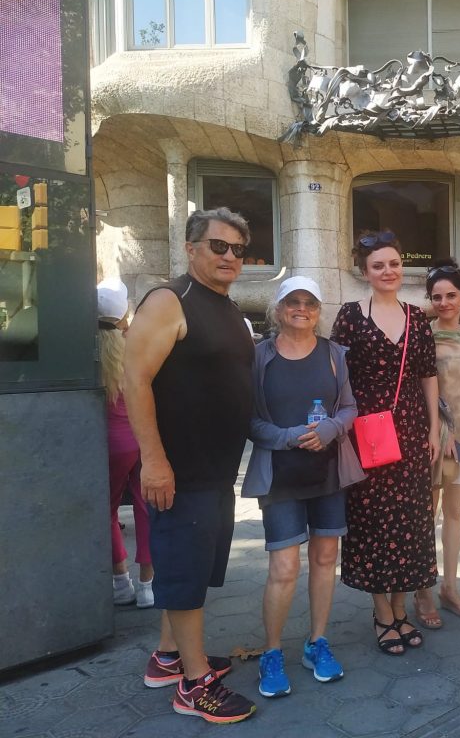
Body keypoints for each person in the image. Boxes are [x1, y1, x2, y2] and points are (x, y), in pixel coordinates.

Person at [124, 207, 255, 723]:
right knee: (183, 572)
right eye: (218, 246)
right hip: (178, 471)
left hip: (215, 470)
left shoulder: (224, 304)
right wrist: (154, 462)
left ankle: (168, 657)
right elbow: (135, 380)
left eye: (238, 250)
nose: (229, 257)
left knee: (190, 570)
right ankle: (194, 685)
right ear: (191, 248)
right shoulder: (167, 300)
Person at [243, 276, 364, 698]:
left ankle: (317, 642)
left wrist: (331, 428)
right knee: (284, 568)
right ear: (278, 309)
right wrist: (289, 436)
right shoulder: (259, 357)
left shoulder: (335, 355)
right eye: (292, 302)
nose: (302, 308)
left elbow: (349, 408)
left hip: (328, 473)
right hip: (280, 474)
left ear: (318, 310)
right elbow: (249, 421)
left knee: (326, 556)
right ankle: (272, 652)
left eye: (310, 303)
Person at [330, 231, 440, 656]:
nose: (388, 271)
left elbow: (428, 375)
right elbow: (338, 373)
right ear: (366, 272)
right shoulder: (351, 315)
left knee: (411, 520)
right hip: (367, 432)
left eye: (394, 264)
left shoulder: (417, 317)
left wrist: (432, 429)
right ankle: (381, 612)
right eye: (378, 266)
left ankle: (401, 607)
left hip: (412, 429)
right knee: (373, 520)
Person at [414, 259, 460, 624]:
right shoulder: (422, 337)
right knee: (427, 517)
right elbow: (421, 391)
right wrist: (441, 432)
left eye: (451, 295)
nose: (444, 302)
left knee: (455, 515)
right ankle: (423, 590)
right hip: (434, 441)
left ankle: (451, 587)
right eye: (437, 296)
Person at [99, 278, 154, 609]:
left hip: (109, 443)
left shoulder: (87, 346)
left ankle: (121, 581)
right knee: (146, 508)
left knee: (105, 510)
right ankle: (148, 586)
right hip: (142, 437)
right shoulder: (138, 342)